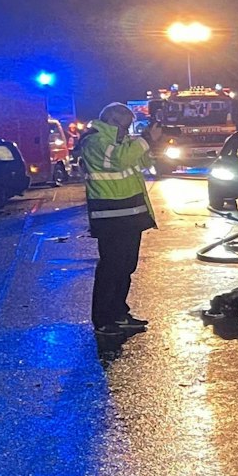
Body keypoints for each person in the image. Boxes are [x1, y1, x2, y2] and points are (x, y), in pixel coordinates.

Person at [82, 102, 158, 336]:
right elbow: (118, 161)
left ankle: (119, 314)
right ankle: (104, 320)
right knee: (111, 268)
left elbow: (142, 162)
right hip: (111, 217)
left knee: (126, 267)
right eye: (124, 126)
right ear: (111, 121)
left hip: (130, 215)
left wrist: (150, 145)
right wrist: (144, 140)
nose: (126, 131)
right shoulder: (94, 141)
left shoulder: (120, 143)